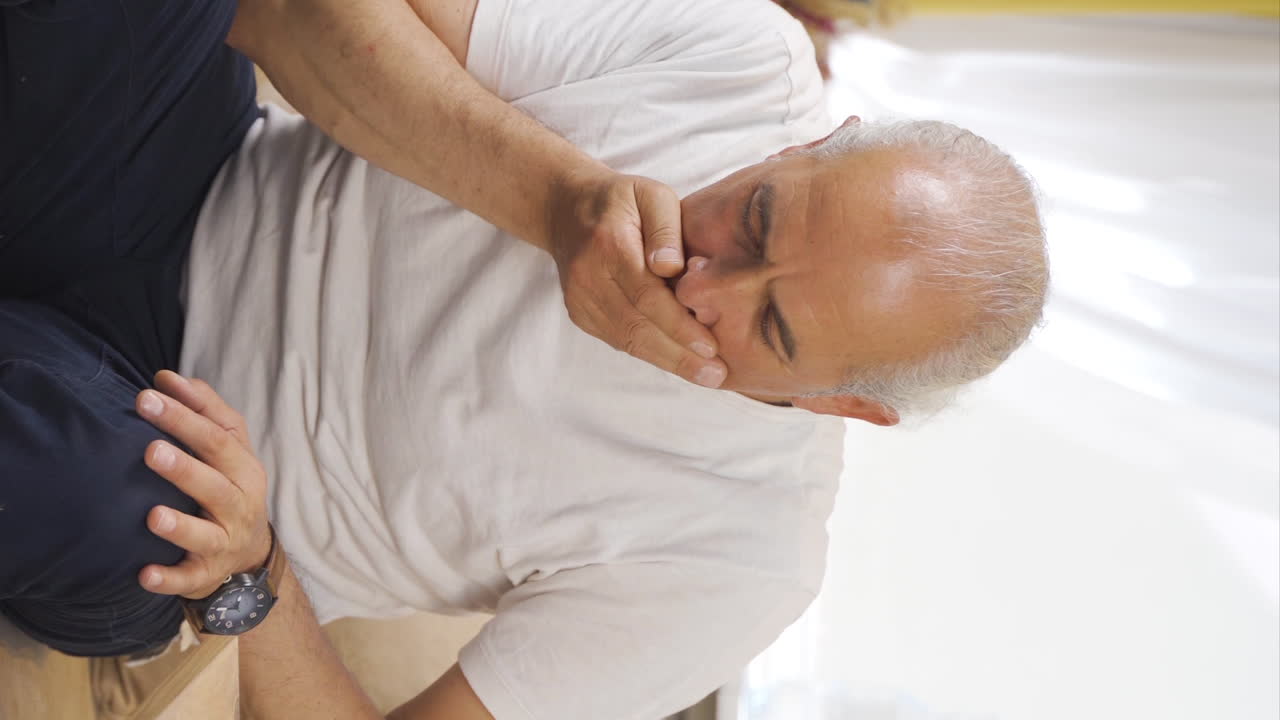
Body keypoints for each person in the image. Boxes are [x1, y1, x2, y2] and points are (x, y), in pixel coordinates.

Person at [0, 0, 1048, 719]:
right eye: (757, 217)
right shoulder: (738, 60)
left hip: (173, 477)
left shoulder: (741, 563)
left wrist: (253, 578)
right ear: (808, 142)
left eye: (770, 329)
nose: (707, 283)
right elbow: (284, 14)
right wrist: (553, 198)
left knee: (77, 495)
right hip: (179, 173)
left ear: (843, 406)